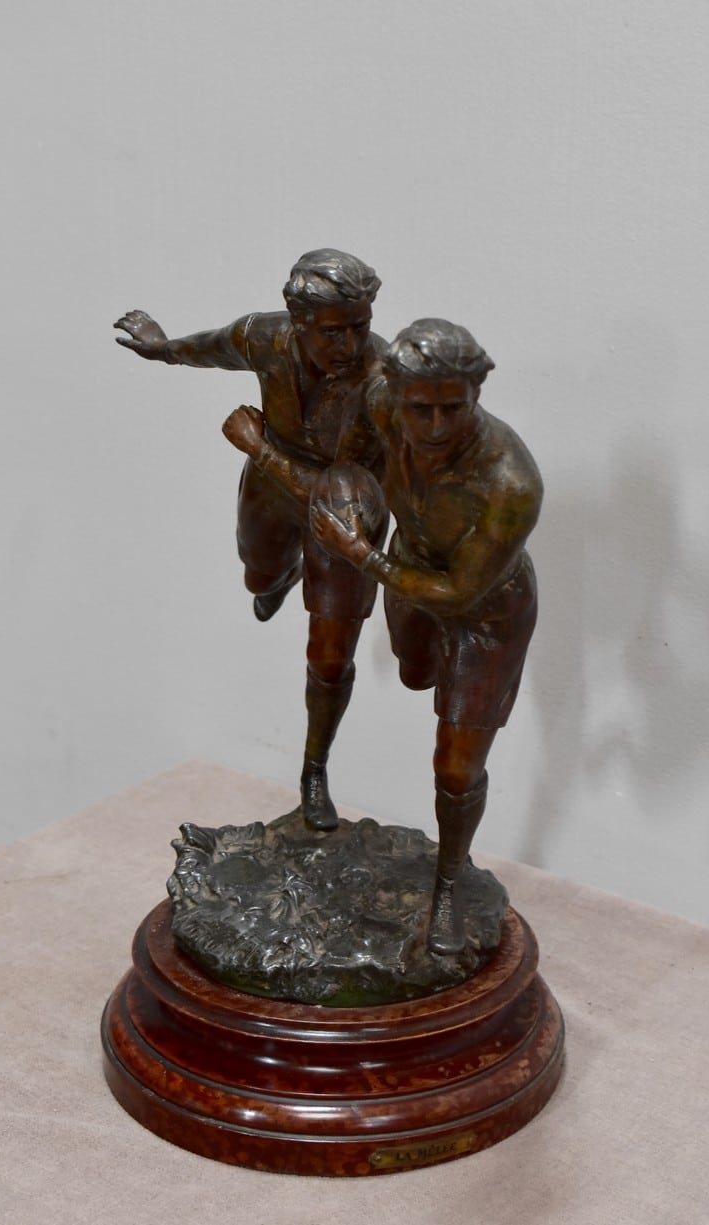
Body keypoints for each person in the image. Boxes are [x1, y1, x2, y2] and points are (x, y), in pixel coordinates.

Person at [114, 249, 387, 831]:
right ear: (298, 320)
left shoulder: (379, 380)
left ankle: (314, 771)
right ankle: (283, 575)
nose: (350, 344)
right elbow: (213, 346)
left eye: (360, 326)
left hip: (344, 514)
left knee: (330, 658)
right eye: (333, 331)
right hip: (271, 486)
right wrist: (162, 348)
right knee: (257, 575)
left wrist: (257, 446)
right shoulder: (265, 337)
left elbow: (335, 490)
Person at [310, 318, 543, 955]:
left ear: (477, 393)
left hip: (486, 614)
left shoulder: (510, 484)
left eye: (453, 409)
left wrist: (361, 554)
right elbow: (349, 464)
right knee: (413, 673)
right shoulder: (380, 401)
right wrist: (348, 508)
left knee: (457, 766)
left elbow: (460, 593)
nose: (436, 427)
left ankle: (448, 886)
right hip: (409, 572)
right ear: (395, 392)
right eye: (421, 409)